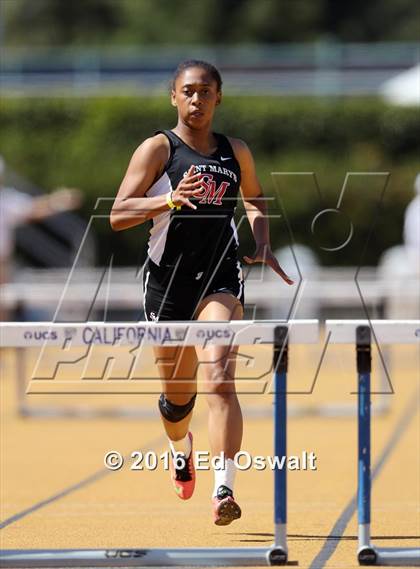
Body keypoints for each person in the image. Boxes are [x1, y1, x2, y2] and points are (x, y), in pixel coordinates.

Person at [110, 60, 293, 525]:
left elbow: (253, 197)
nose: (197, 100)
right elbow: (118, 214)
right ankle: (180, 449)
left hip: (220, 281)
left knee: (219, 377)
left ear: (218, 97)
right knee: (177, 400)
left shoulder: (236, 152)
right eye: (188, 91)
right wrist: (169, 199)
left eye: (206, 92)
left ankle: (224, 489)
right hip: (166, 285)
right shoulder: (157, 149)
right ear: (174, 96)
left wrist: (263, 240)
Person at [0, 155, 82, 320]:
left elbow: (33, 208)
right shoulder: (5, 200)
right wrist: (59, 201)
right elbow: (33, 209)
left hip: (1, 262)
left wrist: (59, 201)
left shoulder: (5, 200)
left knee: (3, 303)